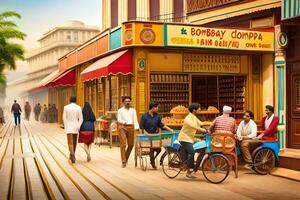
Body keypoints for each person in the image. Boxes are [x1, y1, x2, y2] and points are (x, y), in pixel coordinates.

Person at [140, 101, 174, 169]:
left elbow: (161, 125)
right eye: (156, 107)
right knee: (152, 148)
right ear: (152, 108)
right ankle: (152, 162)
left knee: (159, 149)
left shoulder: (157, 116)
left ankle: (152, 159)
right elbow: (141, 127)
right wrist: (147, 134)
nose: (157, 108)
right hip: (146, 136)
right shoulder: (144, 116)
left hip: (155, 136)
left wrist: (170, 129)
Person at [243, 105, 279, 169]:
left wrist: (262, 134)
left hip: (271, 138)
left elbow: (270, 128)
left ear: (271, 111)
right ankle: (251, 161)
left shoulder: (276, 118)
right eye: (265, 110)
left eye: (267, 110)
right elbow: (263, 128)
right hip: (263, 137)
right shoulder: (264, 118)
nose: (266, 111)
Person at [178, 103, 207, 178]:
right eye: (199, 108)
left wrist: (211, 124)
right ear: (194, 110)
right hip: (184, 138)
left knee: (202, 147)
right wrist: (202, 129)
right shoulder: (188, 118)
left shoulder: (194, 117)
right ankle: (186, 166)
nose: (200, 109)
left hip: (190, 138)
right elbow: (193, 126)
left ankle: (192, 169)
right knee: (192, 152)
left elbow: (201, 123)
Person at [117, 96, 139, 168]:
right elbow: (119, 119)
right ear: (123, 102)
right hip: (122, 127)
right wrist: (124, 122)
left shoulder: (133, 110)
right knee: (123, 144)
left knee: (131, 144)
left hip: (131, 127)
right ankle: (123, 161)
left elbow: (135, 119)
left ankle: (125, 158)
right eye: (126, 101)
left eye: (129, 101)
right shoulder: (120, 110)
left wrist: (137, 128)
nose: (128, 102)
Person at [63, 96, 83, 164]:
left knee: (70, 143)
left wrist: (66, 126)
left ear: (69, 100)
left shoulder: (66, 107)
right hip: (76, 126)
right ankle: (72, 156)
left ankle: (73, 156)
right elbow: (81, 119)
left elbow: (64, 118)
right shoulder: (78, 107)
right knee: (74, 142)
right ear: (75, 100)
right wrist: (78, 126)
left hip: (69, 126)